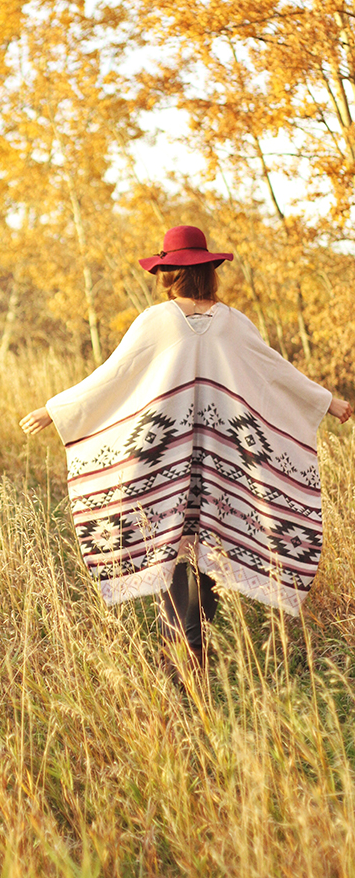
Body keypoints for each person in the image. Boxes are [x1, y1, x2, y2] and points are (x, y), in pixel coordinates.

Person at [20, 225, 352, 669]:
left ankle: (185, 652)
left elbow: (112, 376)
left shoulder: (157, 321)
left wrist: (55, 410)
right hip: (222, 459)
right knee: (204, 546)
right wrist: (327, 401)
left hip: (163, 456)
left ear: (169, 272)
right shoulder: (232, 323)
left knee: (178, 545)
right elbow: (276, 372)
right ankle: (190, 648)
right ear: (211, 270)